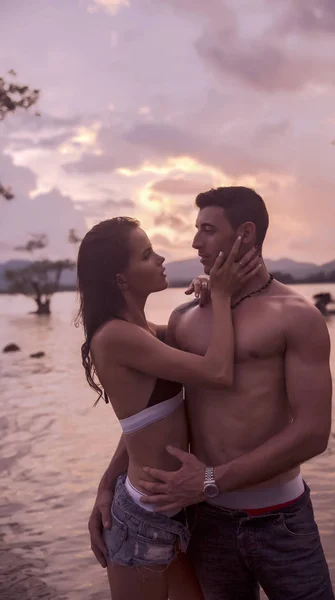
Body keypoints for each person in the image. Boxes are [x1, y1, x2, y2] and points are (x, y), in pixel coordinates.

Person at [89, 187, 335, 600]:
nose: (195, 243)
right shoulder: (186, 317)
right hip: (206, 521)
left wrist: (208, 480)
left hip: (281, 520)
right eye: (196, 230)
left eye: (207, 230)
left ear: (246, 233)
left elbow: (314, 431)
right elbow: (155, 413)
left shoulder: (297, 316)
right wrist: (110, 483)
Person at [77, 215, 261, 600]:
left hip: (170, 511)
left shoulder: (145, 331)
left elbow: (143, 424)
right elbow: (217, 371)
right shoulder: (116, 337)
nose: (161, 259)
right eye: (147, 255)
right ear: (121, 279)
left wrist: (205, 297)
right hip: (142, 519)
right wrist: (223, 297)